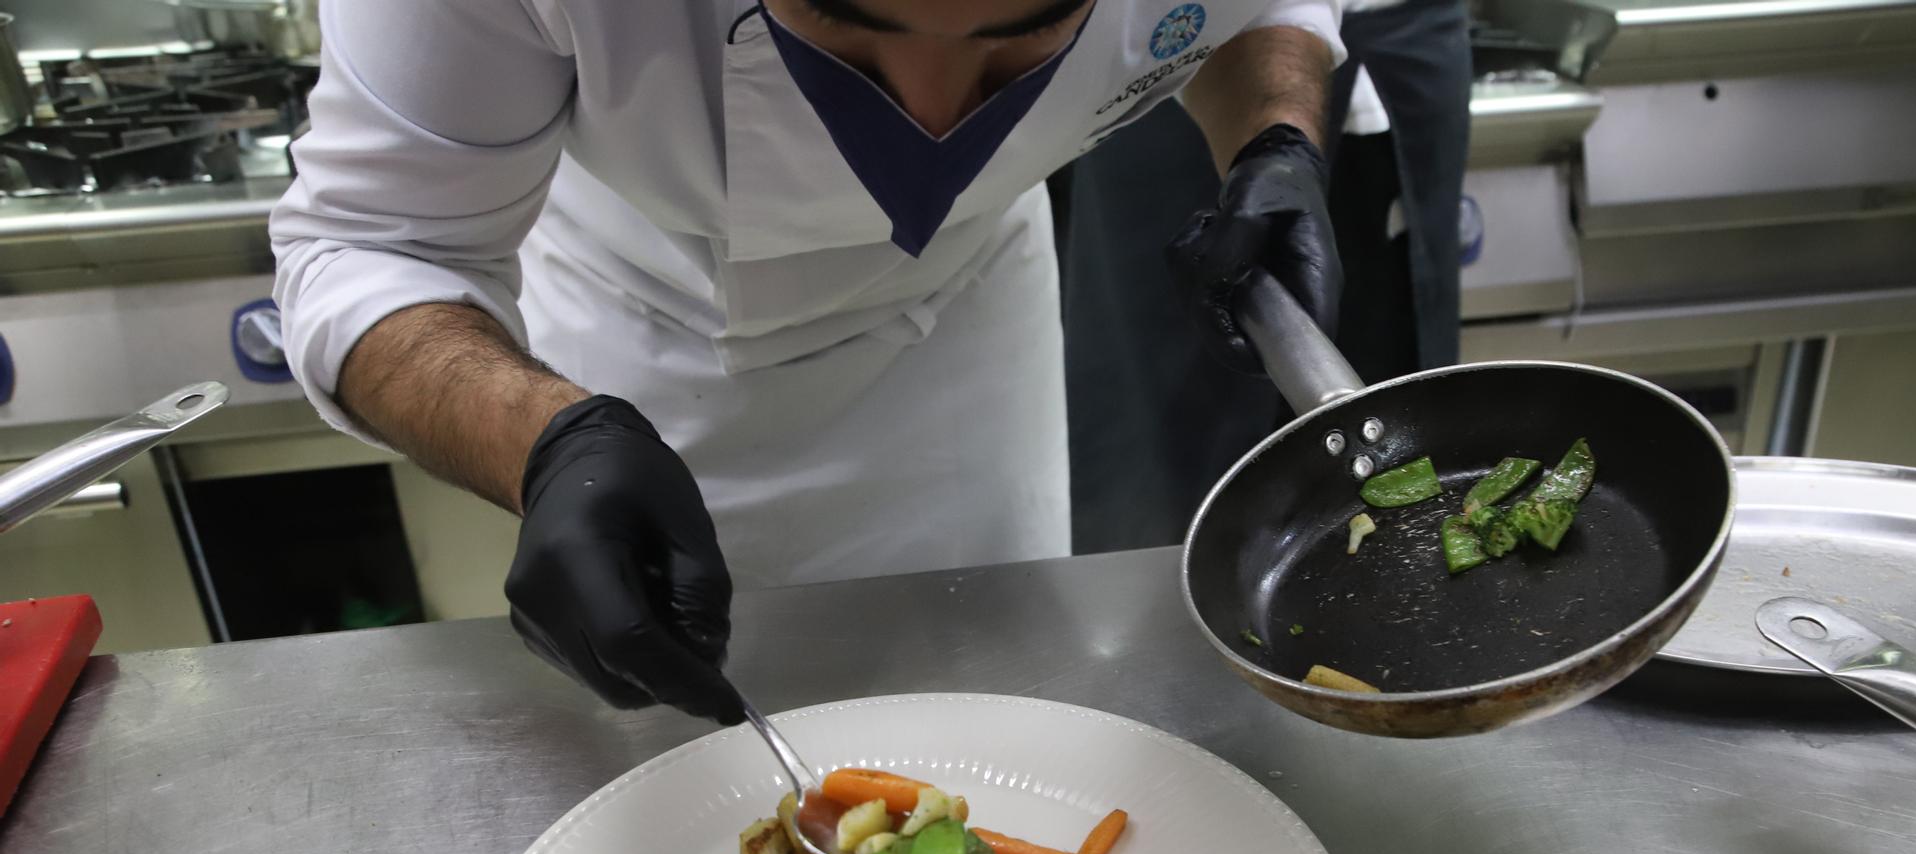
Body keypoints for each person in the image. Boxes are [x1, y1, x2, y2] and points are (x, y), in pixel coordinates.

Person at [270, 0, 1347, 724]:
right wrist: (542, 443)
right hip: (643, 340)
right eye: (848, 23)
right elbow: (368, 246)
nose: (927, 118)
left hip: (963, 335)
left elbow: (1257, 13)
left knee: (1000, 723)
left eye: (1019, 32)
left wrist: (1272, 136)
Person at [1062, 0, 1471, 553]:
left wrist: (1282, 152)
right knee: (1171, 407)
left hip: (1406, 33)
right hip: (1176, 44)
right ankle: (1163, 600)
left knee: (1396, 371)